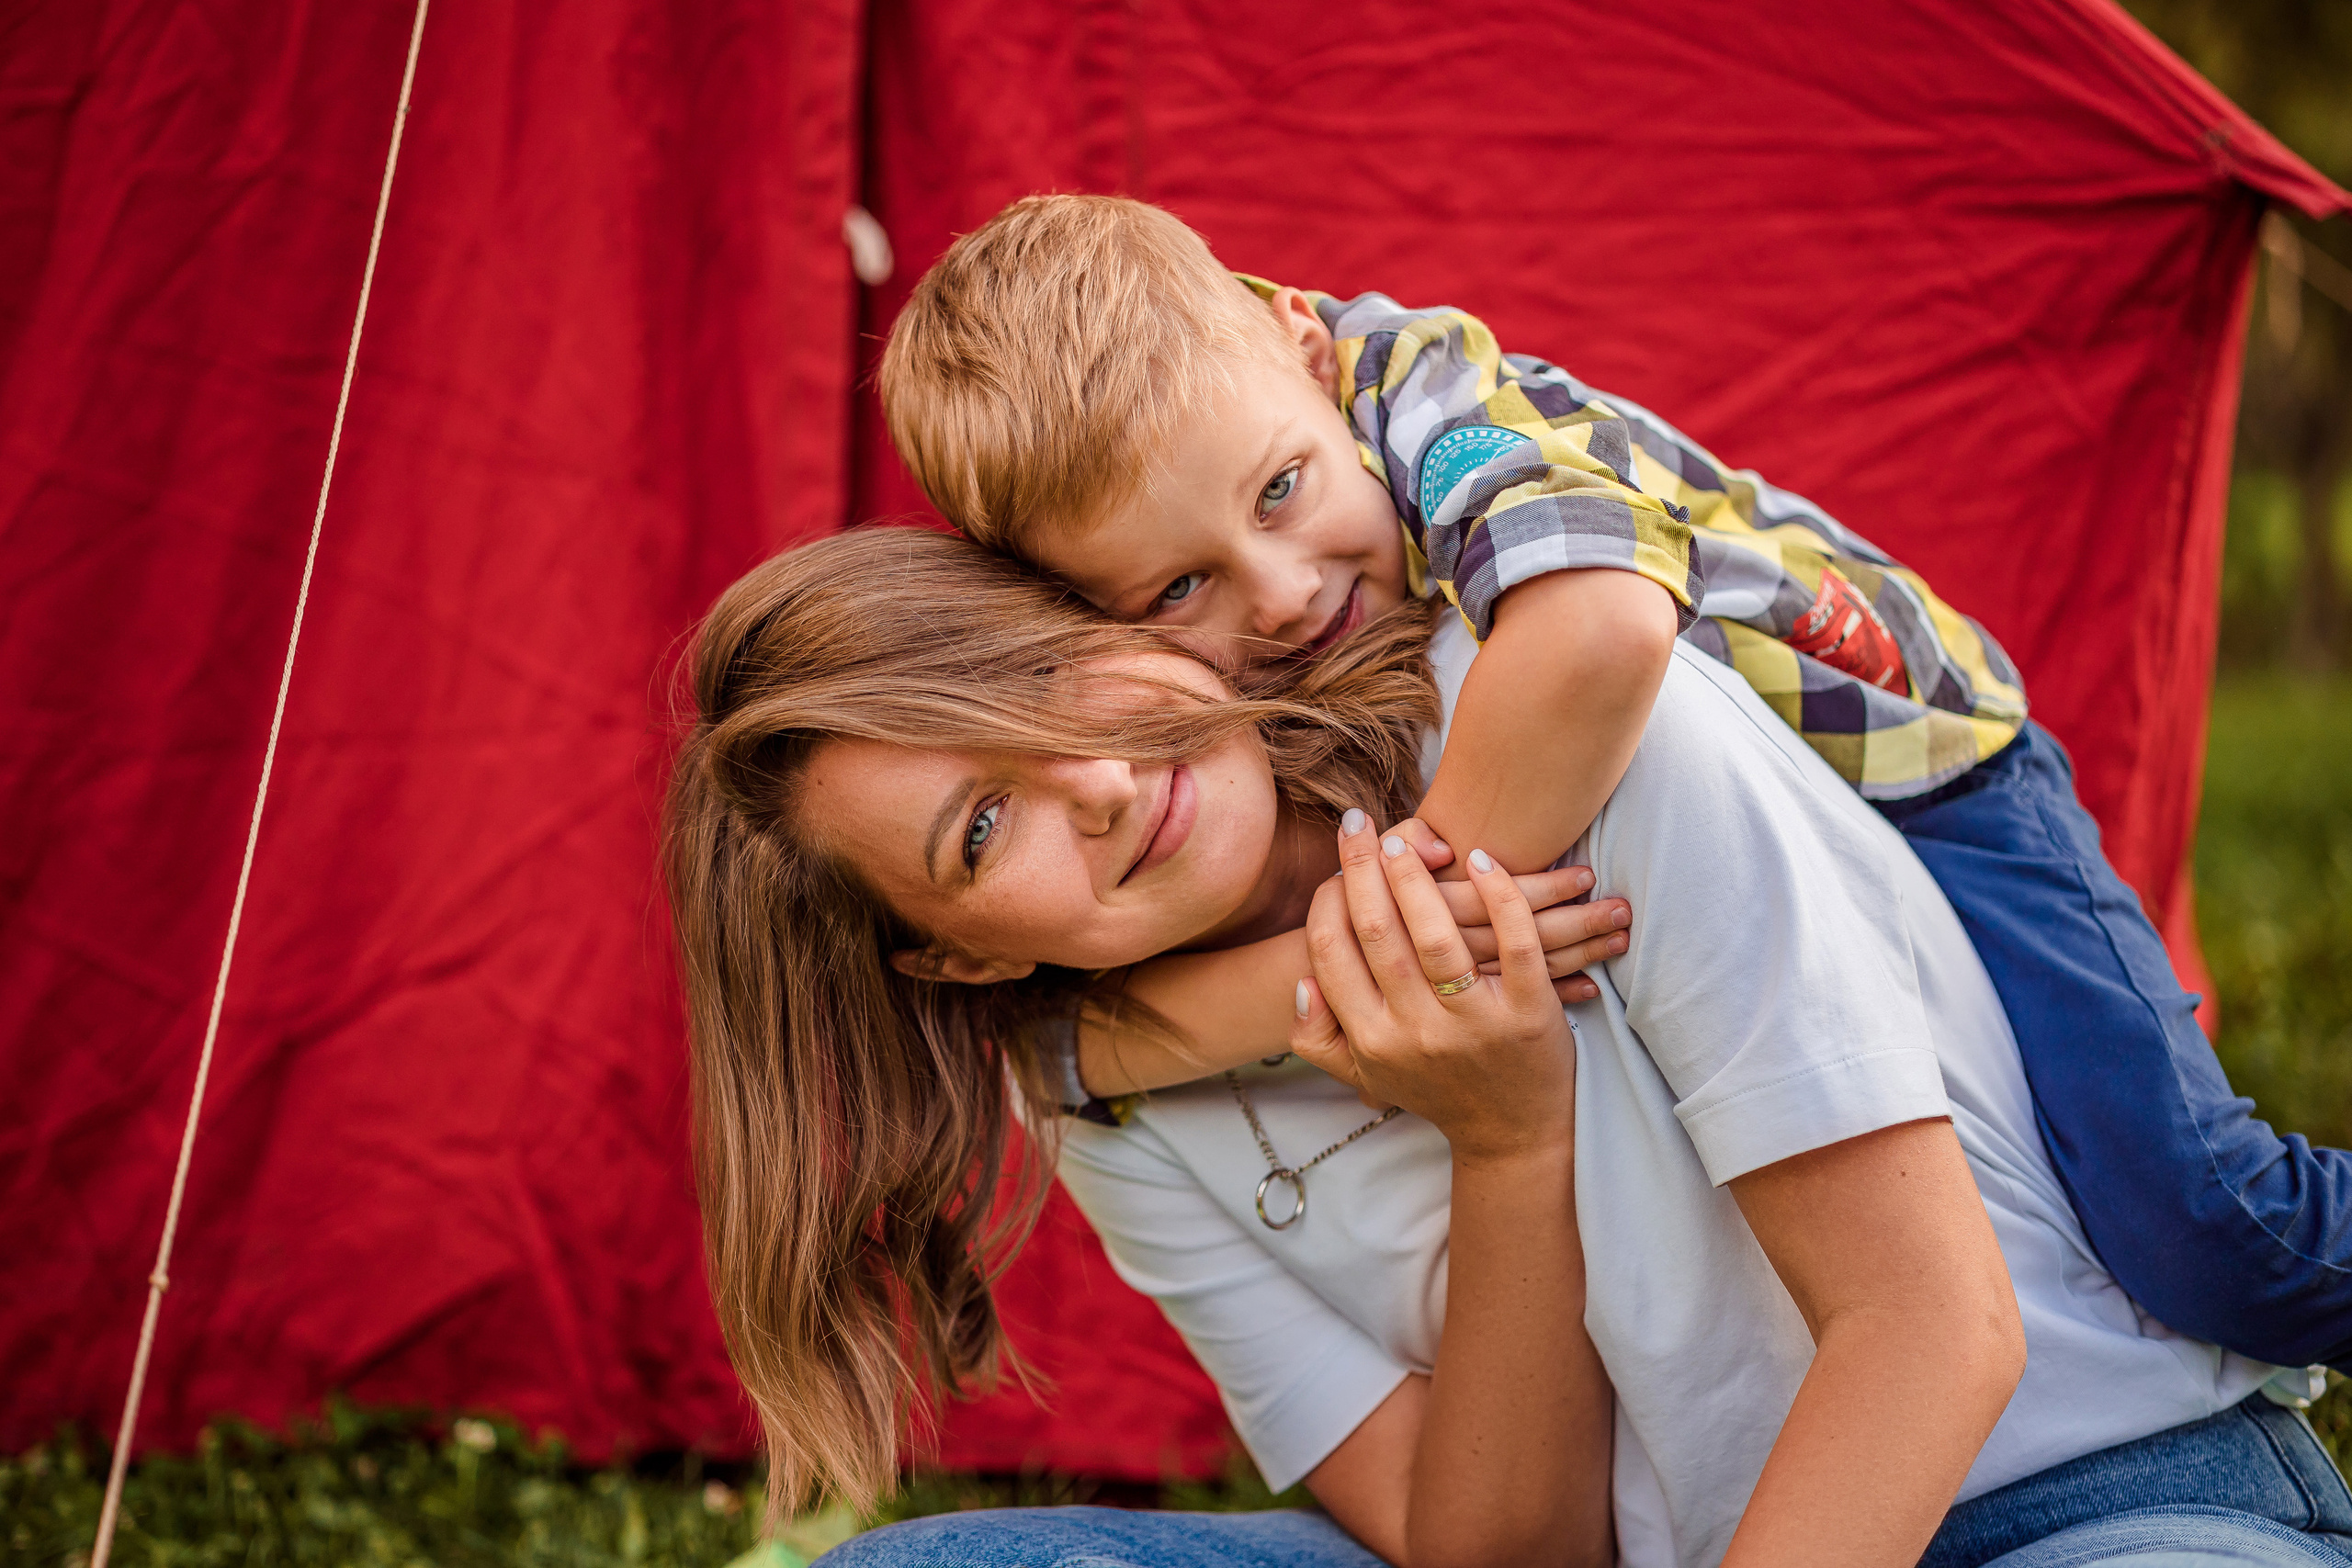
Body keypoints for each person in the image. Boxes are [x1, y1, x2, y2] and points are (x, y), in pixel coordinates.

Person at [662, 526, 2342, 1568]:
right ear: (955, 952)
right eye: (979, 828)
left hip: (2091, 1496)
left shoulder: (1548, 709)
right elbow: (1501, 1553)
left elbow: (1934, 1328)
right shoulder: (1107, 1094)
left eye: (1044, 683)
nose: (1094, 787)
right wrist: (1507, 1143)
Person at [875, 193, 2352, 1372]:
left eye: (1279, 493)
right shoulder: (1244, 630)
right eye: (1179, 586)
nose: (1277, 592)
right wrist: (1105, 1048)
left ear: (1297, 346)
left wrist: (1412, 936)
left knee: (2198, 1234)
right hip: (1795, 869)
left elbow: (1594, 632)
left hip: (1934, 764)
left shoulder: (1437, 404)